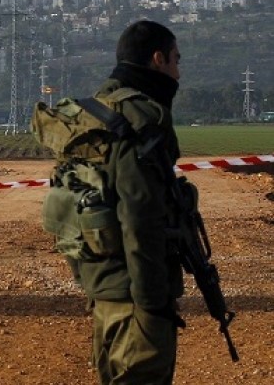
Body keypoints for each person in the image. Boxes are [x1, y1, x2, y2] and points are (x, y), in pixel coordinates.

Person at [80, 20, 184, 384]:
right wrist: (153, 305)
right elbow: (141, 219)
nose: (178, 73)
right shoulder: (142, 119)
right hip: (136, 299)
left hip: (103, 290)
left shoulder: (92, 112)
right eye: (175, 61)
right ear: (157, 59)